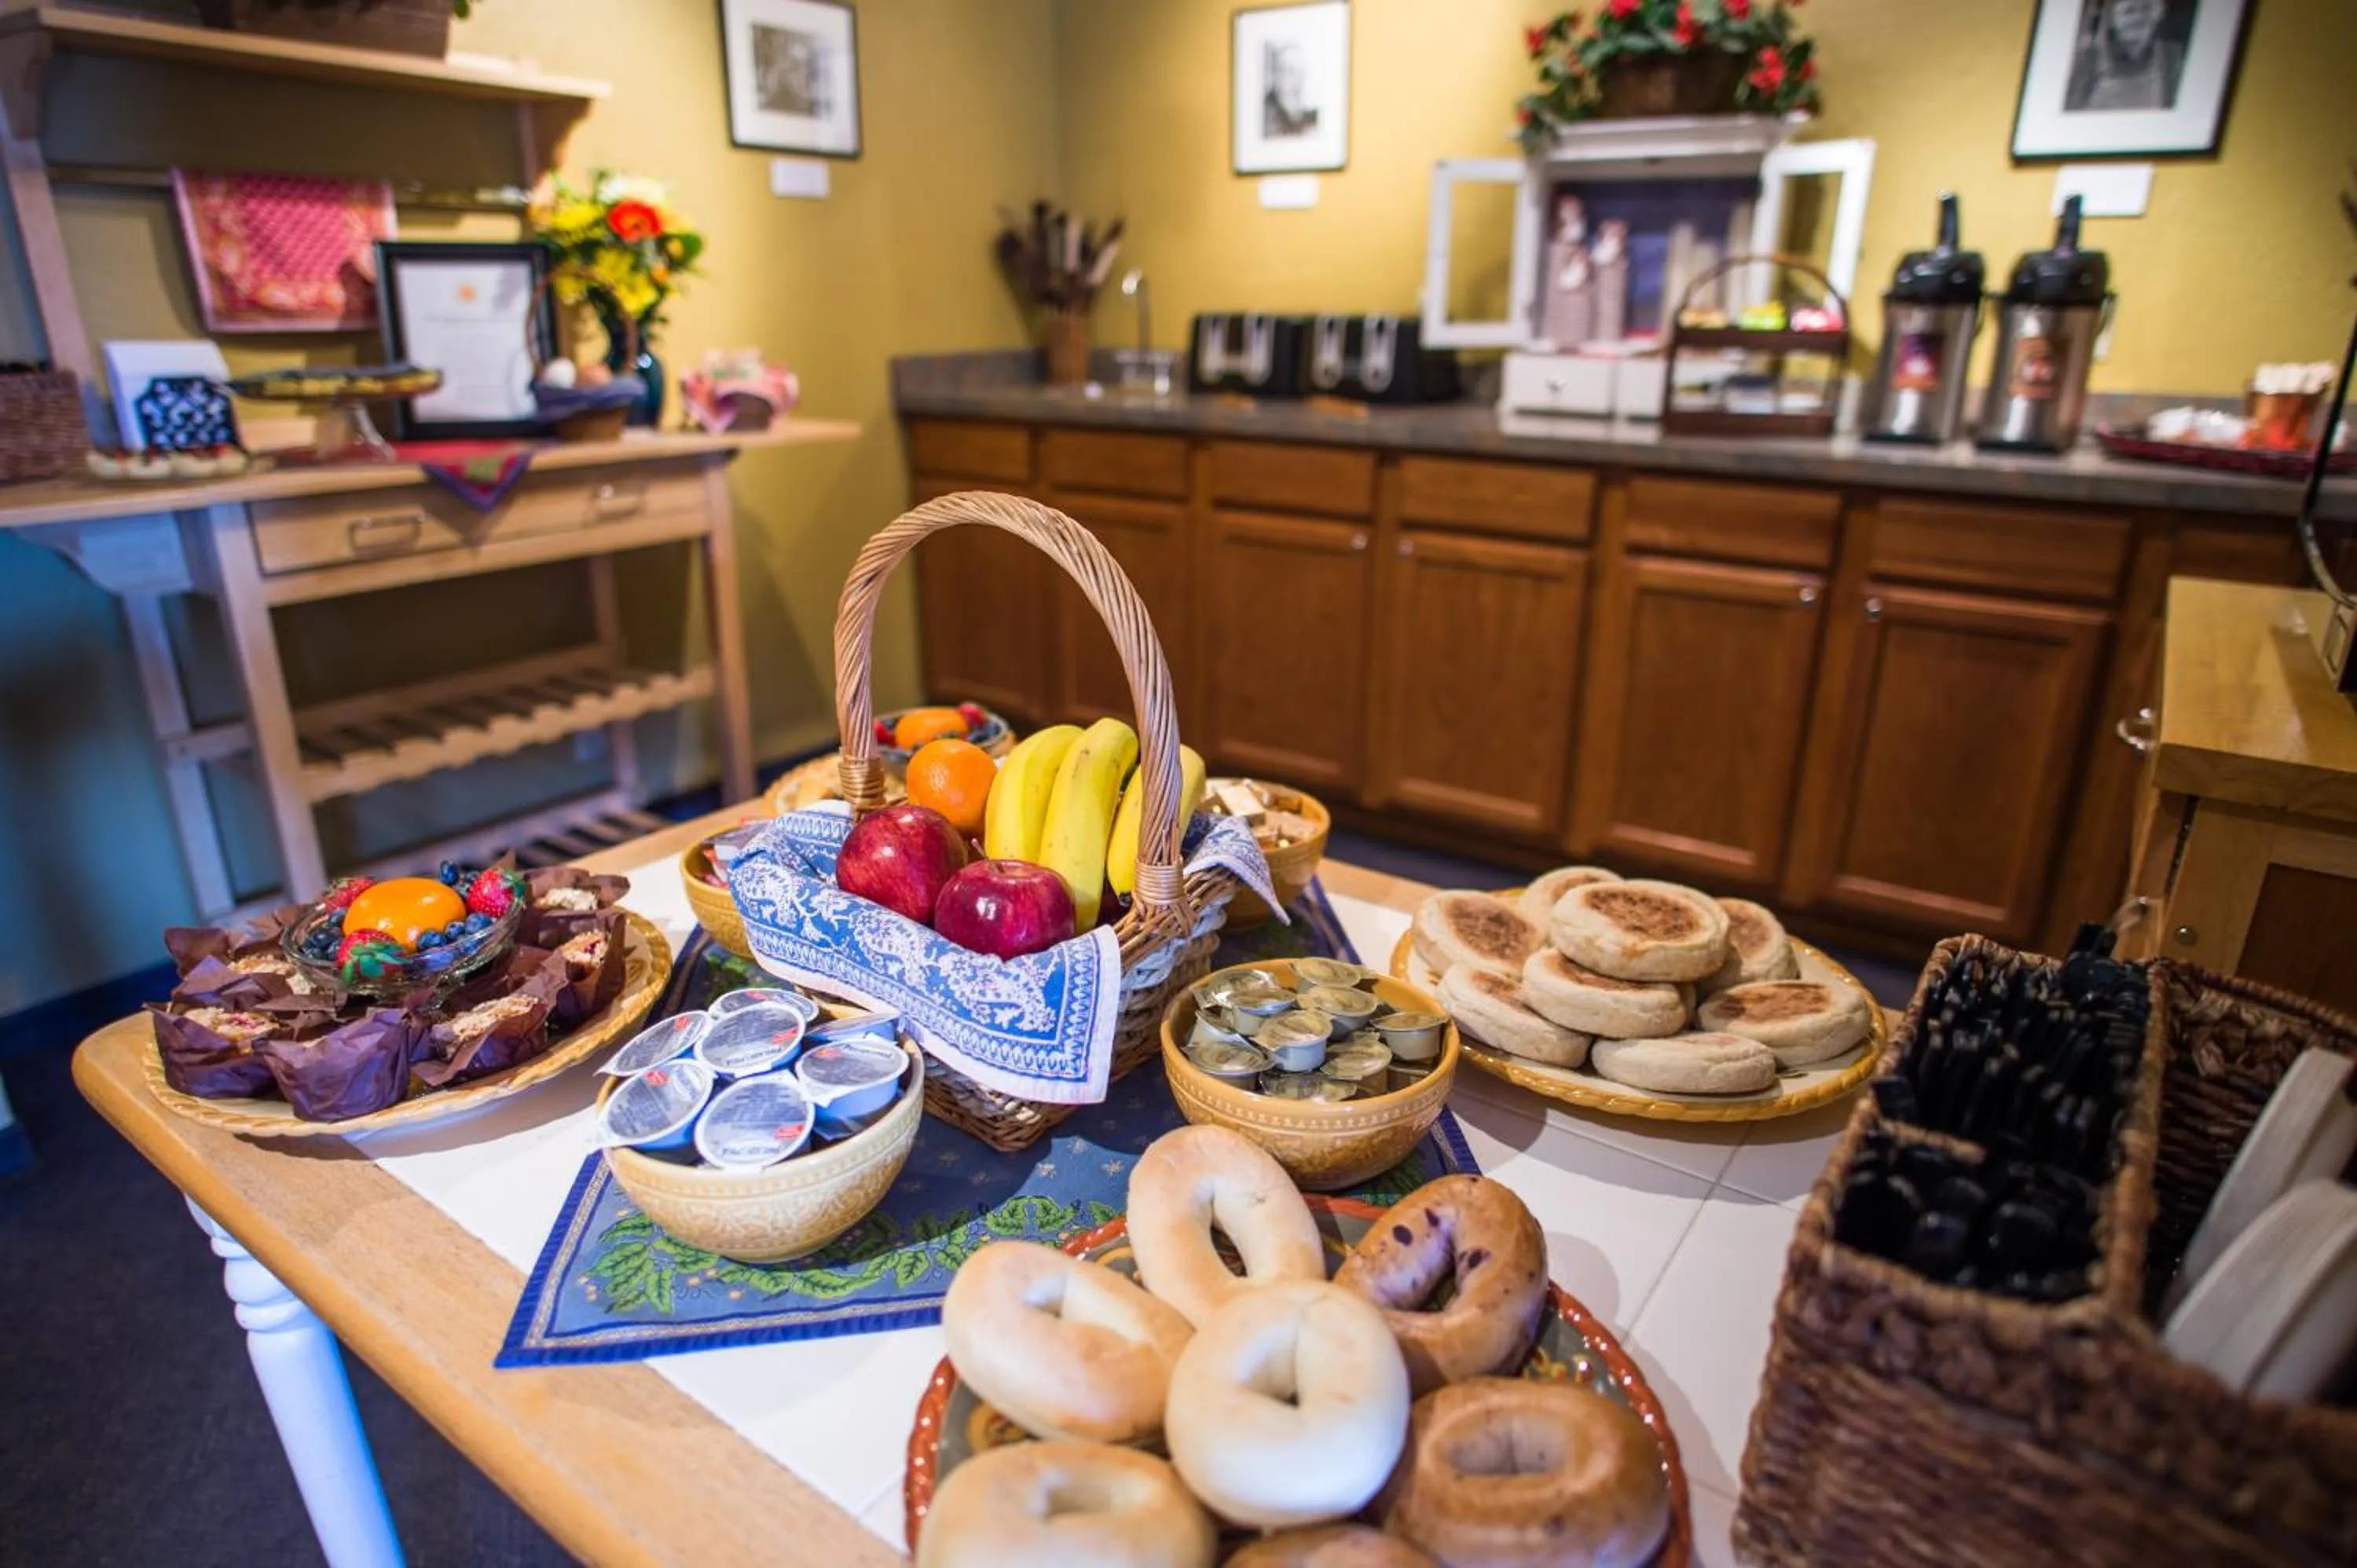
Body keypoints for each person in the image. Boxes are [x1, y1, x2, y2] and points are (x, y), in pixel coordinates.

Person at [2063, 0, 2189, 112]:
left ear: (2157, 15)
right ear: (2114, 19)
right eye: (2129, 11)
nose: (2138, 18)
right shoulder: (2089, 59)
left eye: (2146, 9)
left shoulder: (2171, 57)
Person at [1263, 42, 1318, 137]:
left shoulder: (1311, 118)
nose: (1287, 77)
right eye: (1283, 69)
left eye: (1294, 71)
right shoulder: (1266, 114)